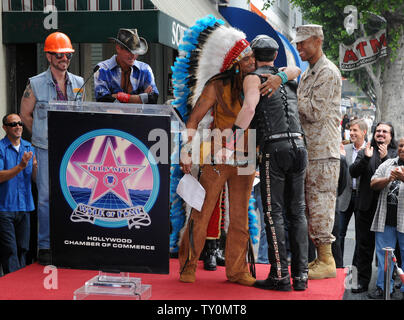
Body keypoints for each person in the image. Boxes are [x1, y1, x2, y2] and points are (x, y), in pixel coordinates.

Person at [173, 16, 257, 286]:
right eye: (246, 59)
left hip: (245, 159)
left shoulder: (256, 83)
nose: (252, 63)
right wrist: (186, 149)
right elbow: (193, 120)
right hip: (218, 157)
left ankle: (236, 271)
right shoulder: (217, 85)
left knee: (240, 217)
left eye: (253, 58)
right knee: (202, 211)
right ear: (234, 64)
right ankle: (188, 265)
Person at [232, 35, 308, 291]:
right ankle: (301, 277)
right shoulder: (287, 75)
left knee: (274, 213)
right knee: (297, 212)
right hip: (299, 145)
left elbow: (250, 108)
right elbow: (296, 69)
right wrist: (282, 76)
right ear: (275, 56)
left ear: (254, 57)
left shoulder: (253, 78)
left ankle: (280, 276)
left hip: (274, 148)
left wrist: (231, 136)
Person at [20, 32, 84, 265]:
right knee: (46, 197)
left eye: (67, 54)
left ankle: (69, 241)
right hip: (46, 149)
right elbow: (25, 115)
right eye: (58, 55)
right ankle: (45, 247)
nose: (63, 58)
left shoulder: (78, 83)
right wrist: (41, 136)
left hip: (72, 150)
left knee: (72, 195)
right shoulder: (35, 83)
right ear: (48, 56)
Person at [294, 24, 342, 280]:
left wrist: (289, 88)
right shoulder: (309, 72)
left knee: (321, 204)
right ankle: (320, 257)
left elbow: (313, 112)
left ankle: (327, 260)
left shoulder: (328, 72)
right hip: (310, 151)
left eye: (302, 43)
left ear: (317, 40)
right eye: (297, 43)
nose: (298, 47)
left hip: (323, 153)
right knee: (311, 206)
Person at [349, 122, 398, 293]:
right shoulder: (365, 151)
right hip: (366, 208)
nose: (381, 134)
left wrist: (385, 159)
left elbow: (394, 176)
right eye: (378, 131)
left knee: (389, 249)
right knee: (363, 247)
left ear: (391, 136)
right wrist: (367, 158)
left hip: (388, 210)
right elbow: (353, 172)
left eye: (385, 131)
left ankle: (387, 283)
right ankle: (359, 282)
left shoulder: (396, 154)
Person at [0, 113, 37, 274]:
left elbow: (35, 179)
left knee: (23, 248)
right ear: (5, 128)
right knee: (10, 251)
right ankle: (11, 285)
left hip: (25, 206)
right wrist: (21, 166)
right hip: (5, 207)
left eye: (20, 123)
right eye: (13, 124)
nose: (18, 127)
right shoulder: (1, 148)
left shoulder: (29, 147)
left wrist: (35, 168)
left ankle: (19, 285)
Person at [368, 136, 404, 300]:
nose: (402, 149)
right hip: (385, 219)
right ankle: (384, 288)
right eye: (401, 146)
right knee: (384, 256)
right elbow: (373, 183)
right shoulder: (388, 164)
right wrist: (388, 178)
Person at [94, 28, 159, 104]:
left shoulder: (145, 69)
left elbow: (153, 98)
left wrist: (119, 96)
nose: (133, 55)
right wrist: (139, 99)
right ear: (118, 48)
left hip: (138, 116)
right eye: (129, 51)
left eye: (136, 52)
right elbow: (103, 99)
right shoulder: (102, 69)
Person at [338, 119, 367, 267]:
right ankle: (338, 266)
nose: (352, 133)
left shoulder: (370, 150)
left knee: (360, 236)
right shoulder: (345, 148)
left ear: (364, 132)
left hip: (362, 198)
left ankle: (355, 269)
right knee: (339, 234)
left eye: (355, 130)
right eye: (350, 130)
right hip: (344, 197)